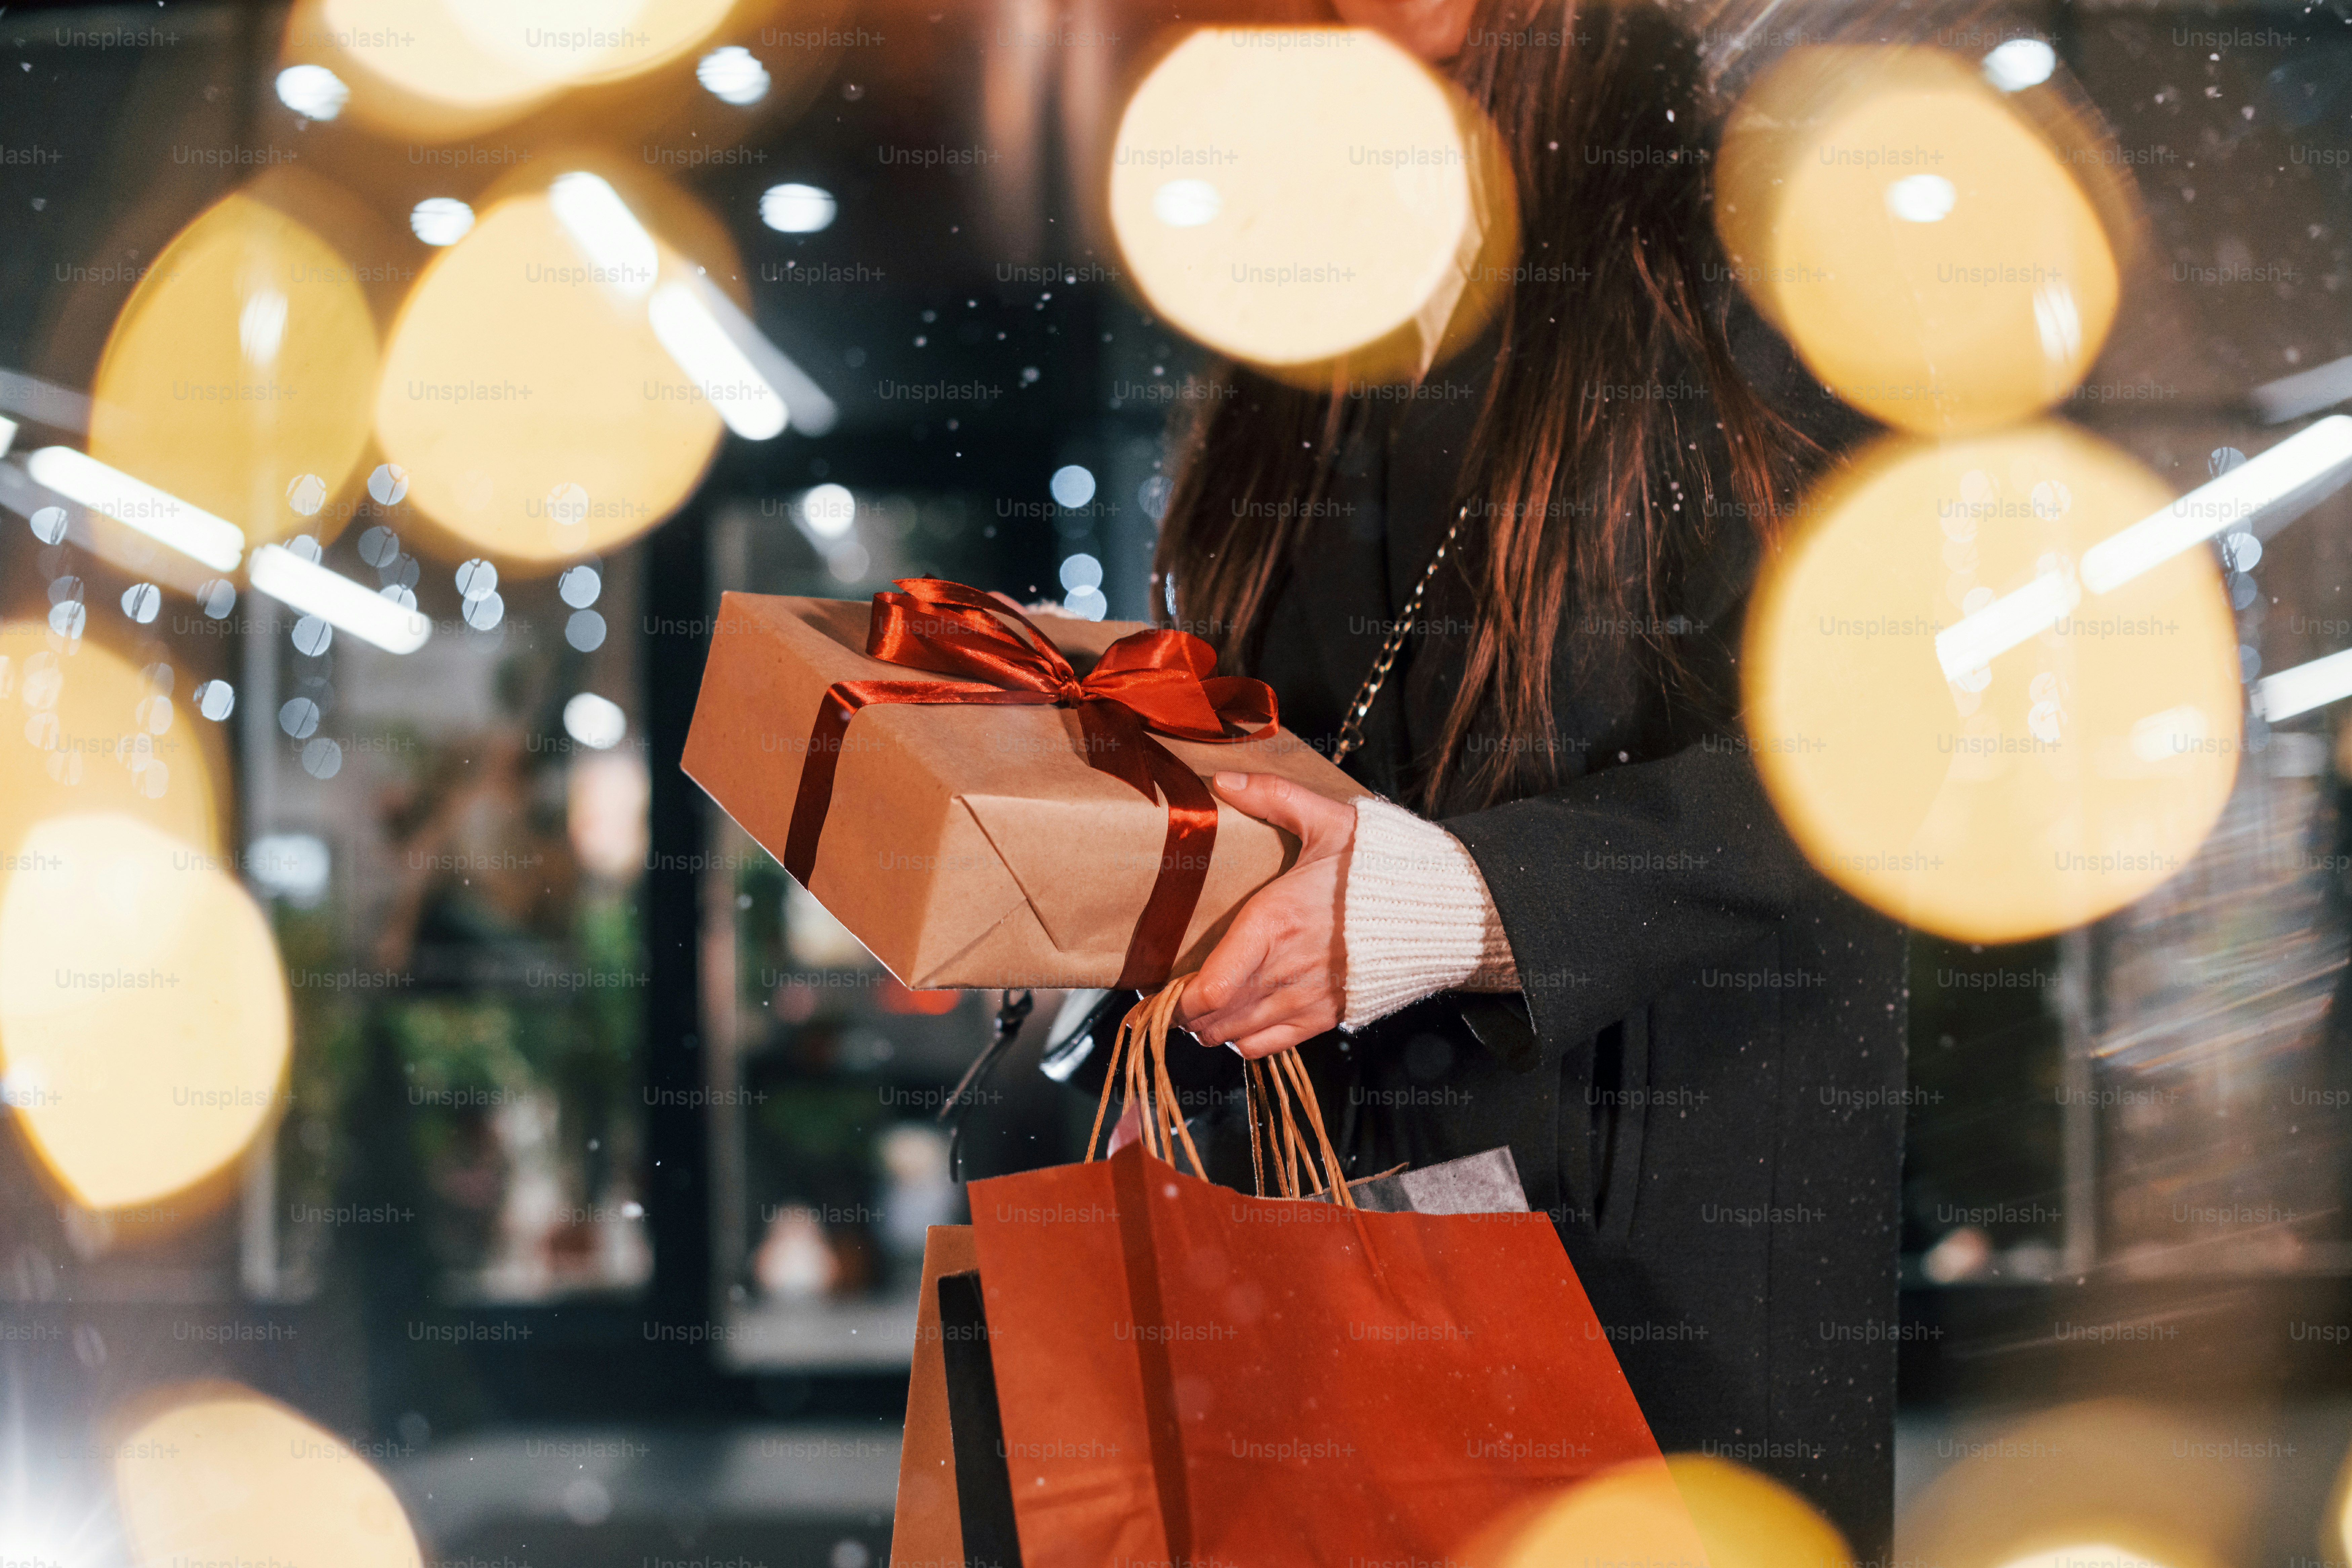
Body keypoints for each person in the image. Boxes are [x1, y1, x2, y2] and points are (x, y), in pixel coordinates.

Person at [1061, 0, 1909, 1553]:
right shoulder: (1311, 285)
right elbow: (1294, 764)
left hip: (1659, 1284)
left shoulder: (1771, 222)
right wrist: (1106, 922)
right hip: (1324, 1249)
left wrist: (1463, 902)